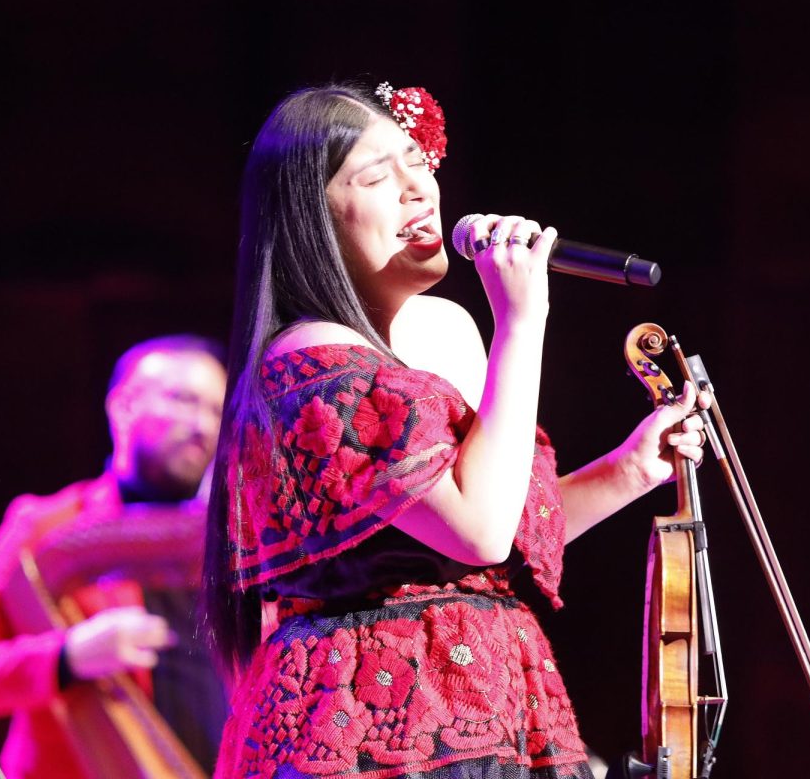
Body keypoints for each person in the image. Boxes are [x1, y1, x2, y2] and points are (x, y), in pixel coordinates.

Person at [203, 82, 707, 779]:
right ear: (311, 218)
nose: (420, 189)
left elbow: (481, 545)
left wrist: (626, 470)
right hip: (378, 724)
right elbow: (478, 531)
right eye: (379, 176)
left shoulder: (441, 330)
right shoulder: (311, 357)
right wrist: (523, 323)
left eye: (419, 162)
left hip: (481, 698)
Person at [0, 334, 230, 778]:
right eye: (183, 400)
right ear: (122, 408)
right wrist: (66, 657)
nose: (202, 425)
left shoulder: (232, 541)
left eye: (215, 410)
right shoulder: (45, 525)